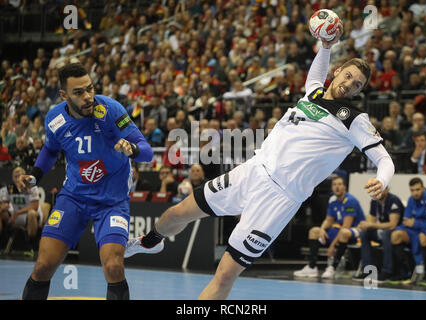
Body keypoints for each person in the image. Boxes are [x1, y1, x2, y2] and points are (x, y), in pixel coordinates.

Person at [125, 24, 395, 300]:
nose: (349, 83)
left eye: (357, 84)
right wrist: (325, 46)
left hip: (280, 199)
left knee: (225, 274)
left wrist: (382, 180)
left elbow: (384, 159)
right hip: (252, 172)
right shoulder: (312, 93)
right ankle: (149, 243)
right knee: (177, 213)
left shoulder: (353, 118)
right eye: (348, 75)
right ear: (337, 71)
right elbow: (316, 74)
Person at [17, 63, 153, 300]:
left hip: (112, 200)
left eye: (90, 89)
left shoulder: (111, 110)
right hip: (74, 197)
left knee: (113, 267)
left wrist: (131, 148)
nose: (88, 96)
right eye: (79, 92)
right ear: (64, 95)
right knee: (42, 266)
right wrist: (35, 175)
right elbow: (50, 150)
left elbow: (147, 151)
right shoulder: (55, 118)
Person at [293, 175, 366, 279]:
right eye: (334, 185)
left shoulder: (350, 201)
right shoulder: (332, 200)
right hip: (340, 230)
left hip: (357, 231)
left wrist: (332, 245)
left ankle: (332, 268)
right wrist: (322, 229)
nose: (337, 187)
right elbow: (328, 220)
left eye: (340, 184)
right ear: (332, 187)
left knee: (344, 232)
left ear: (345, 187)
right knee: (314, 231)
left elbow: (346, 225)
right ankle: (312, 267)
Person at [389, 178, 426, 286]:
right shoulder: (411, 200)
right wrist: (422, 222)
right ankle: (405, 273)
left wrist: (415, 223)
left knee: (423, 237)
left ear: (423, 188)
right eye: (412, 190)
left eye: (417, 189)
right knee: (396, 235)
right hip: (416, 231)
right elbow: (406, 221)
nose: (415, 193)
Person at [352, 188, 404, 283]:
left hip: (396, 232)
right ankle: (367, 270)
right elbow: (372, 222)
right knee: (364, 234)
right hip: (383, 230)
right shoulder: (374, 201)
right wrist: (364, 225)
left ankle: (387, 271)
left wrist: (371, 225)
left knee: (386, 233)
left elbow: (393, 224)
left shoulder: (393, 200)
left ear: (387, 190)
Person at [0, 167, 43, 253]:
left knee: (31, 214)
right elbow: (4, 203)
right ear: (12, 178)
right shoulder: (8, 189)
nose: (17, 179)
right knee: (2, 213)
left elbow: (34, 206)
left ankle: (31, 246)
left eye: (19, 176)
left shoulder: (32, 187)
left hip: (32, 215)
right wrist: (3, 206)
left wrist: (17, 213)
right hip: (16, 216)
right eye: (15, 176)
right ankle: (3, 242)